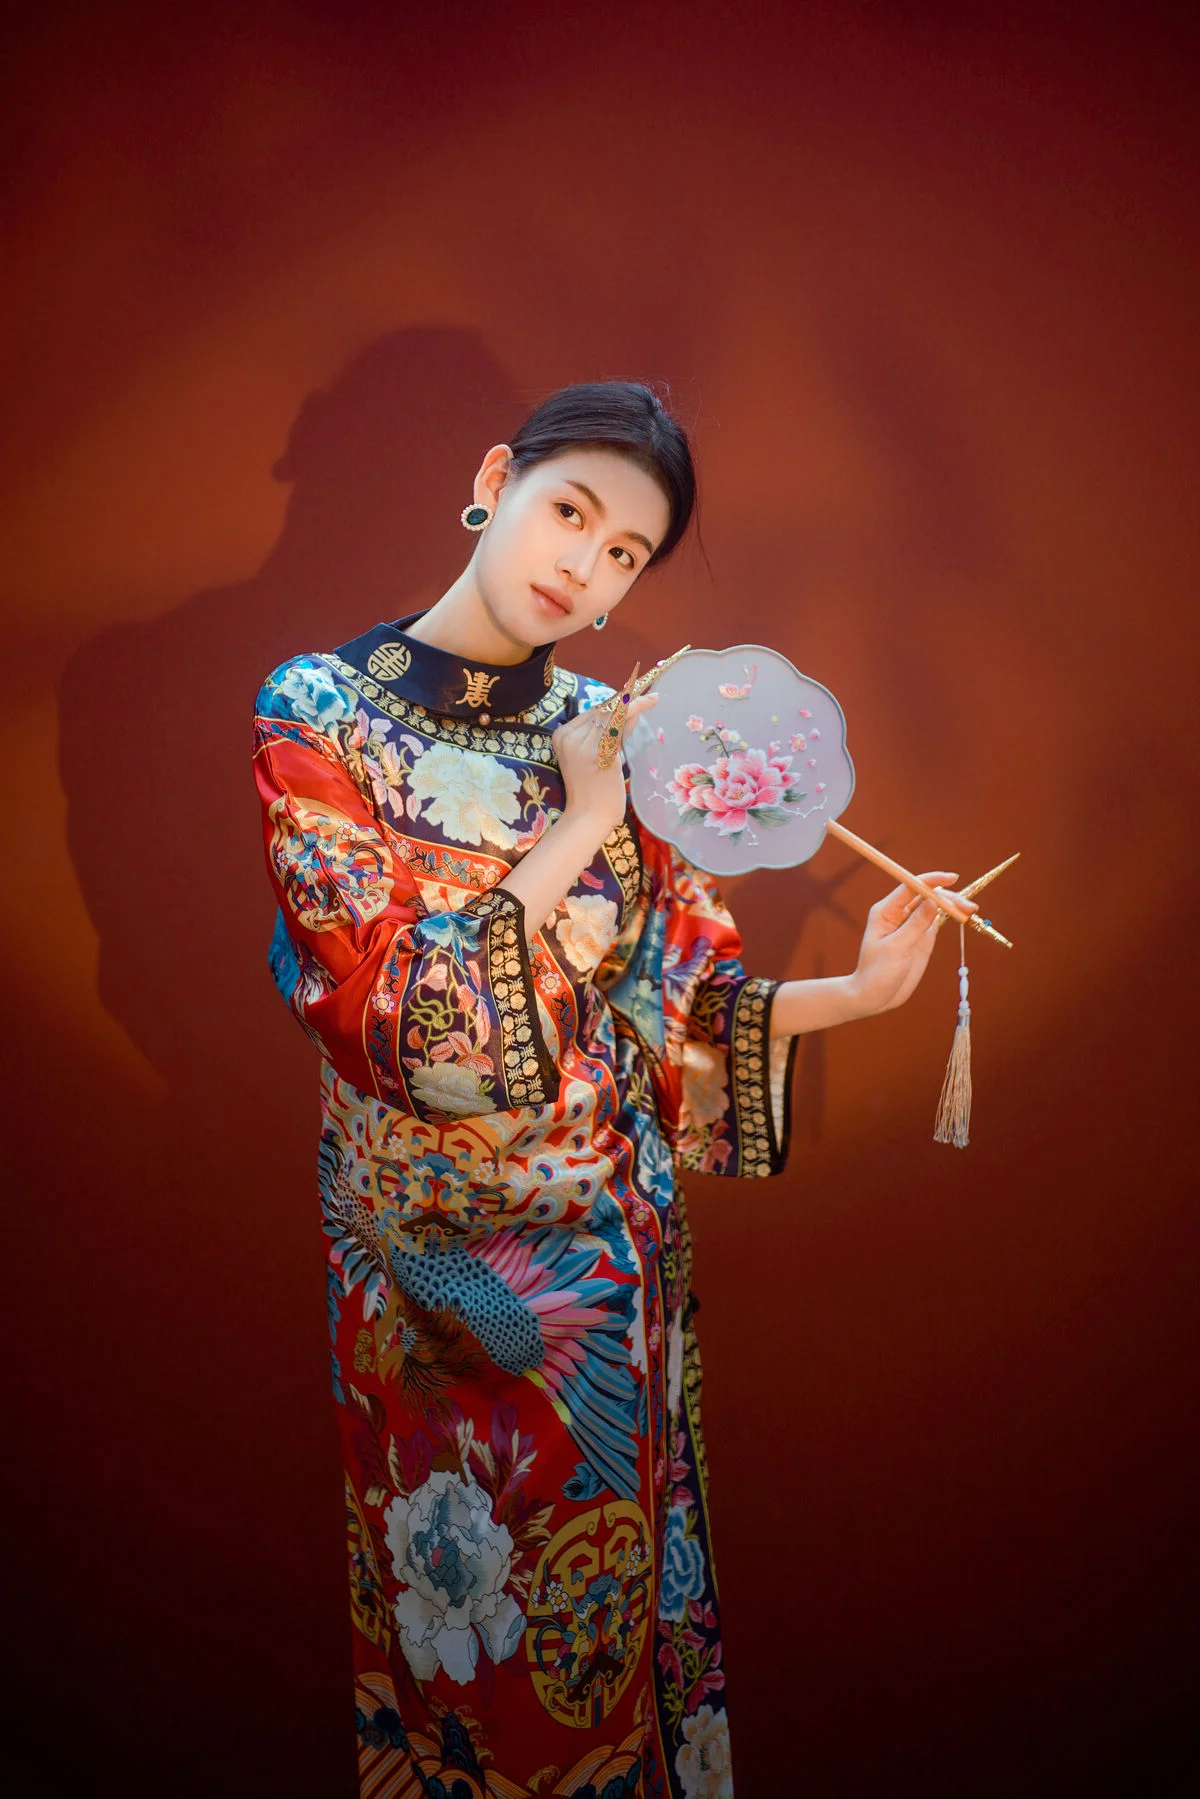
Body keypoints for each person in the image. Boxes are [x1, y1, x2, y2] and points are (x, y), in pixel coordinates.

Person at [251, 380, 973, 1798]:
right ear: (495, 481)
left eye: (626, 552)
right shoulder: (315, 714)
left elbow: (672, 1001)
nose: (584, 565)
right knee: (466, 1685)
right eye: (571, 511)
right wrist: (582, 816)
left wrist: (859, 992)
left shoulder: (620, 726)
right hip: (421, 1296)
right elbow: (402, 1022)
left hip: (606, 1286)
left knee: (617, 1668)